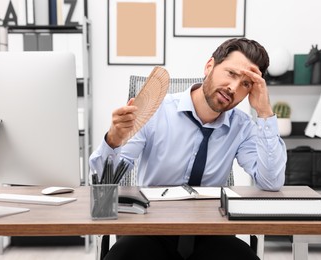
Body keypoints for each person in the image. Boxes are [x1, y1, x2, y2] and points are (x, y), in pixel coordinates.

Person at [89, 37, 287, 260]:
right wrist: (113, 141)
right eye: (231, 73)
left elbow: (271, 182)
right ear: (209, 66)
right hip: (151, 229)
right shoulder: (154, 111)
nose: (233, 87)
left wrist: (264, 112)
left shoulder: (243, 126)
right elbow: (104, 184)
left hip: (212, 233)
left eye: (246, 84)